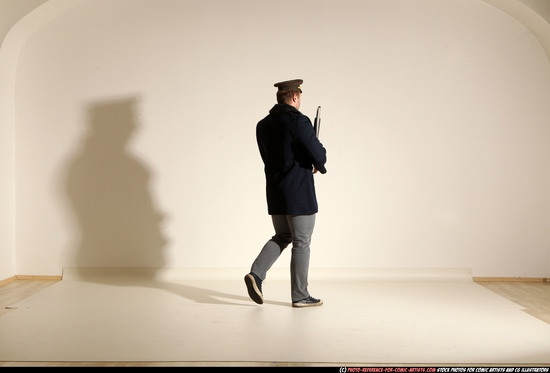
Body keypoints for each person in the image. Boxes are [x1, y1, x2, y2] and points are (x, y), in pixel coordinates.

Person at [245, 79, 327, 308]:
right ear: (294, 97)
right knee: (301, 241)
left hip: (275, 191)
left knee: (282, 236)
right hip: (299, 192)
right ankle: (300, 295)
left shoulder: (263, 125)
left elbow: (270, 157)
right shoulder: (299, 121)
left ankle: (256, 274)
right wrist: (316, 160)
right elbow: (319, 155)